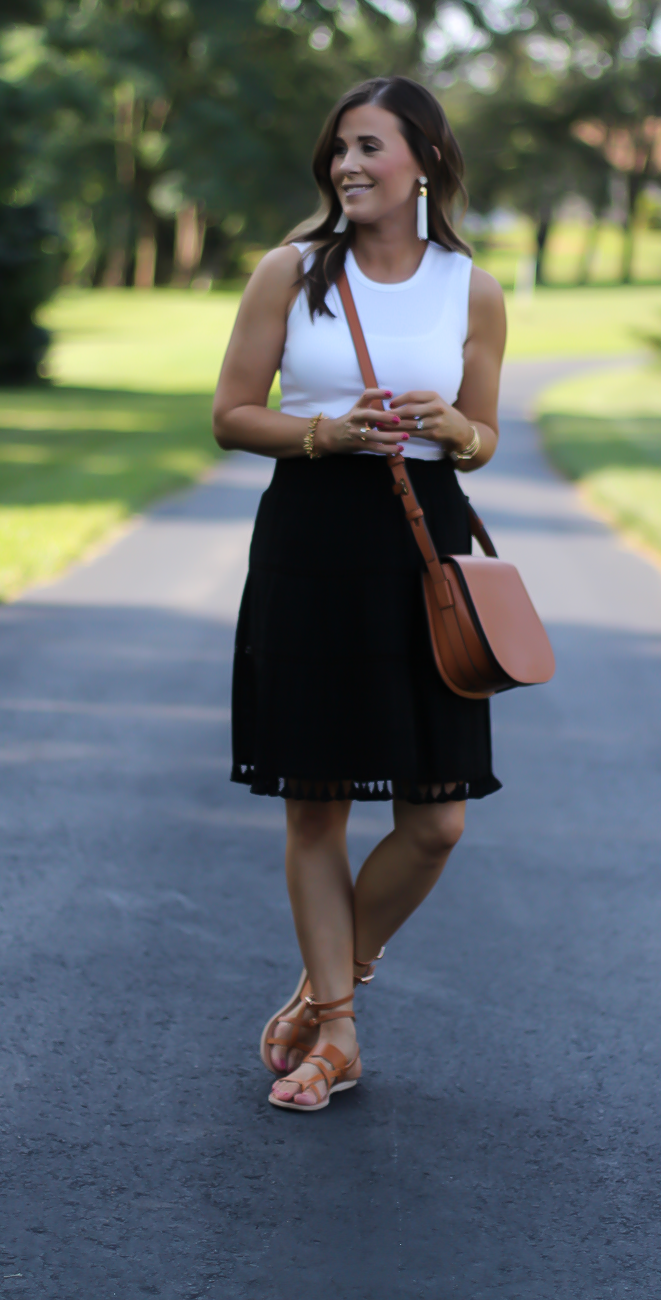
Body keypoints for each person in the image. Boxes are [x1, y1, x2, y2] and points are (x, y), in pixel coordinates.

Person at [212, 75, 506, 1112]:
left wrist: (452, 426)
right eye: (339, 148)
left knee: (437, 822)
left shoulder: (470, 288)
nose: (348, 166)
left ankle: (324, 988)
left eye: (370, 147)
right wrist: (322, 432)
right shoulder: (289, 273)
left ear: (423, 159)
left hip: (419, 555)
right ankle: (336, 1035)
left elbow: (483, 436)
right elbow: (233, 413)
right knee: (316, 804)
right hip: (312, 542)